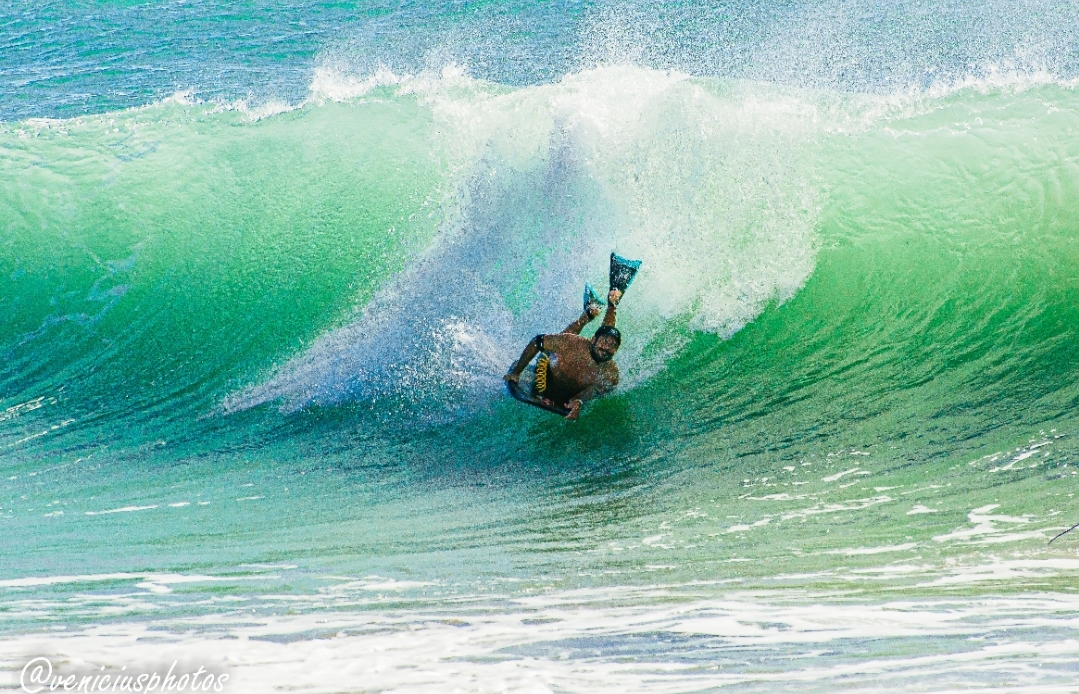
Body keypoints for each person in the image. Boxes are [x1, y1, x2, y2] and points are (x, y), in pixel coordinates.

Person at [504, 288, 623, 421]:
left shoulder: (611, 373)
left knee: (607, 337)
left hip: (572, 383)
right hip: (550, 366)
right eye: (604, 342)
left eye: (614, 347)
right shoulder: (572, 343)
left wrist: (579, 400)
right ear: (592, 340)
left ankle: (611, 305)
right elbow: (537, 342)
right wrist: (517, 372)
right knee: (565, 340)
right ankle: (589, 313)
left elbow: (594, 390)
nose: (607, 348)